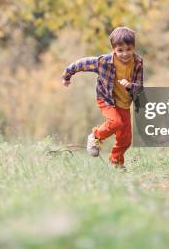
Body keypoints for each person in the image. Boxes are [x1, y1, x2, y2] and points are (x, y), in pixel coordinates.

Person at [61, 27, 144, 170]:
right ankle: (95, 136)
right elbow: (82, 63)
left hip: (124, 103)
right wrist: (67, 75)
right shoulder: (104, 62)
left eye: (128, 49)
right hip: (106, 99)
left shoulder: (137, 62)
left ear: (134, 47)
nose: (125, 54)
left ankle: (116, 163)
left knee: (126, 139)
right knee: (115, 122)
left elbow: (140, 86)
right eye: (120, 50)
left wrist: (131, 85)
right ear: (113, 49)